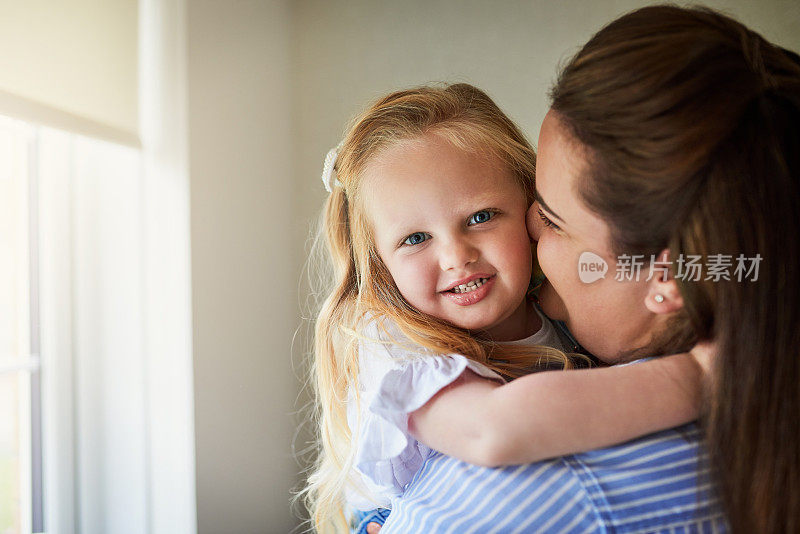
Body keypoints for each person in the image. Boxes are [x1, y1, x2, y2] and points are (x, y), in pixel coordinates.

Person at [363, 5, 799, 533]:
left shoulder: (522, 498)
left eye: (552, 219)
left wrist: (696, 379)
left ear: (666, 279)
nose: (526, 228)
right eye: (414, 239)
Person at [301, 83, 709, 534]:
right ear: (379, 263)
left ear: (531, 211)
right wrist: (697, 378)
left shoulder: (555, 301)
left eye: (481, 217)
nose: (456, 256)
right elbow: (490, 431)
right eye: (416, 239)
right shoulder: (391, 340)